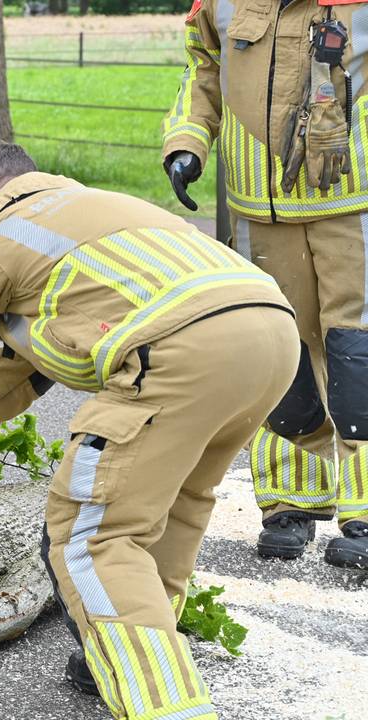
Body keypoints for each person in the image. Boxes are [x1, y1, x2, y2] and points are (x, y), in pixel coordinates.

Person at [0, 142, 298, 718]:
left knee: (92, 535)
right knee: (173, 506)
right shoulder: (89, 211)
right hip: (268, 331)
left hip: (176, 348)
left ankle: (168, 706)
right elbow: (30, 362)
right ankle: (119, 648)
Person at [163, 0, 368, 567]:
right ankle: (291, 501)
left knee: (358, 353)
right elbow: (203, 68)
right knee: (281, 353)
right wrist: (186, 142)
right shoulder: (221, 4)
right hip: (258, 210)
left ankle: (366, 512)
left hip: (353, 201)